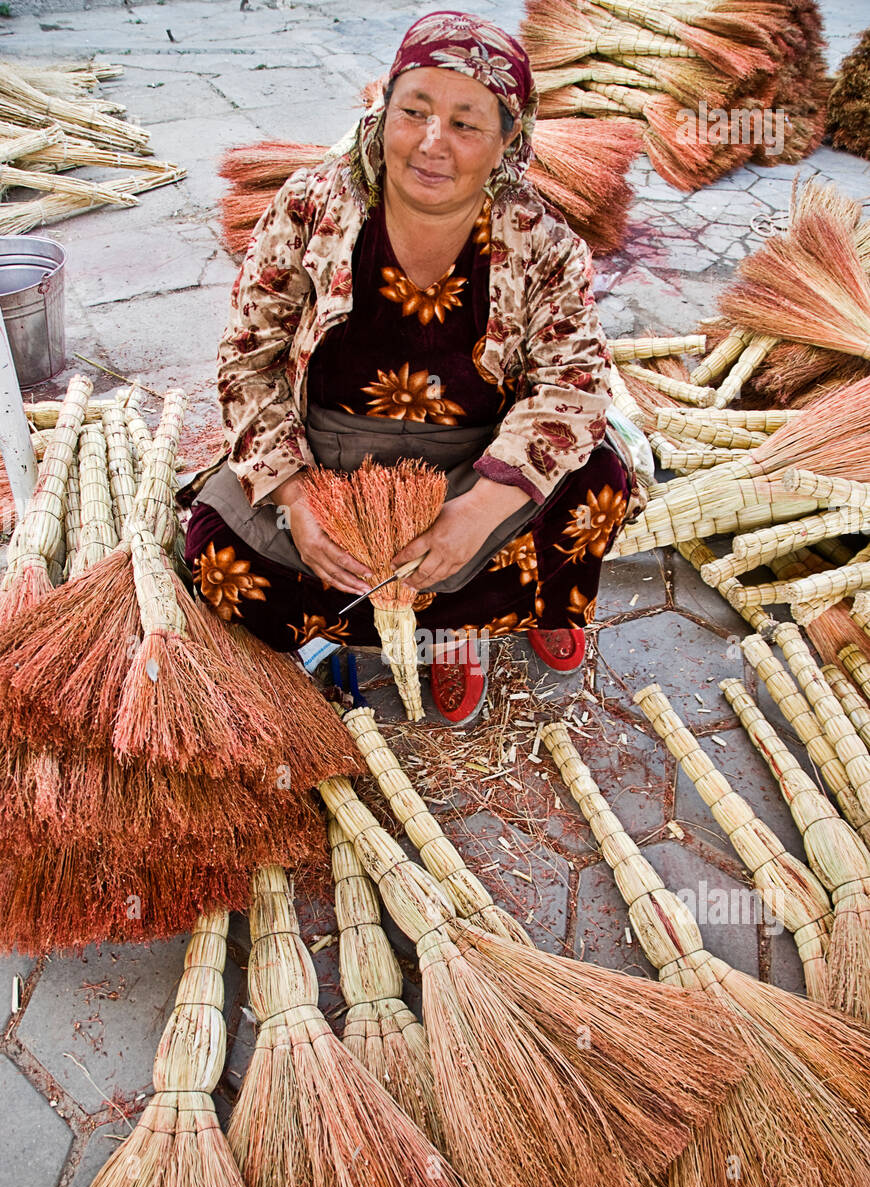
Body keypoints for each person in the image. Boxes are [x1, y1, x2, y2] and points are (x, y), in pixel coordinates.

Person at [185, 10, 647, 723]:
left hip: (476, 466)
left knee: (597, 489)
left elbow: (573, 386)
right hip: (333, 466)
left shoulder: (543, 240)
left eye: (466, 123)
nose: (433, 144)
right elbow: (248, 358)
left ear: (505, 143)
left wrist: (476, 512)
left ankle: (485, 620)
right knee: (219, 553)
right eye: (415, 111)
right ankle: (466, 611)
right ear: (384, 111)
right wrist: (299, 499)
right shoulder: (312, 207)